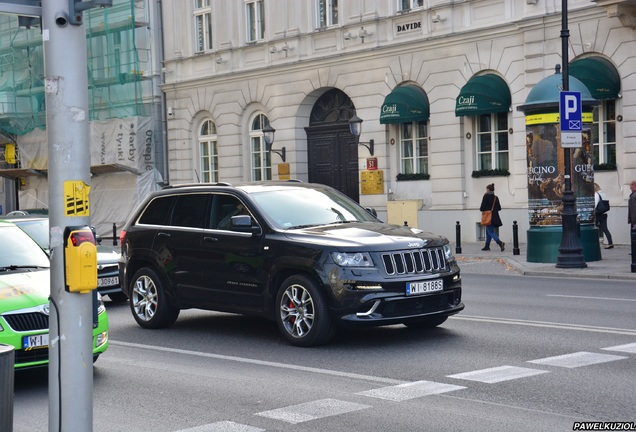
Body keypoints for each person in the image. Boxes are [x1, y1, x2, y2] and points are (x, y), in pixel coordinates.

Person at [479, 183, 505, 251]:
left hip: (488, 217)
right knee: (488, 231)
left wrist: (486, 209)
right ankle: (487, 246)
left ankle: (500, 242)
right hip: (495, 217)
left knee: (490, 232)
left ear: (488, 189)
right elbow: (499, 208)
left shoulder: (486, 196)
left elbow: (482, 208)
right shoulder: (496, 197)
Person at [594, 183, 613, 249]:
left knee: (594, 227)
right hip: (604, 213)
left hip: (598, 213)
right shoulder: (603, 193)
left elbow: (595, 205)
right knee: (605, 229)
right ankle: (610, 243)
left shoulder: (596, 194)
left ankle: (594, 242)